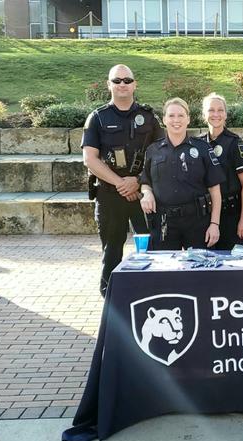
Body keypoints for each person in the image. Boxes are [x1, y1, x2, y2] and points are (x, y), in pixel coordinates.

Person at [82, 64, 164, 296]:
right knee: (111, 253)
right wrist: (121, 183)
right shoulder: (97, 117)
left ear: (134, 84)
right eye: (117, 81)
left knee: (150, 250)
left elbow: (161, 155)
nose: (122, 85)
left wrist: (137, 181)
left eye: (127, 80)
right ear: (109, 85)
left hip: (142, 195)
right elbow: (90, 158)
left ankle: (151, 297)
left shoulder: (149, 117)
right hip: (110, 195)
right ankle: (111, 302)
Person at [140, 98, 225, 250]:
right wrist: (147, 194)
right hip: (164, 222)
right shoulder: (153, 150)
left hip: (197, 222)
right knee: (165, 271)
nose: (176, 120)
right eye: (171, 116)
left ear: (188, 119)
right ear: (164, 119)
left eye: (181, 115)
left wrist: (214, 224)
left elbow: (215, 190)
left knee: (198, 269)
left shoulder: (203, 149)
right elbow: (145, 182)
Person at [199, 93, 243, 250]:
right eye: (211, 110)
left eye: (220, 110)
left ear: (226, 114)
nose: (216, 114)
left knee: (233, 268)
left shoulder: (236, 144)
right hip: (204, 215)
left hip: (231, 215)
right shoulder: (197, 144)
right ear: (204, 114)